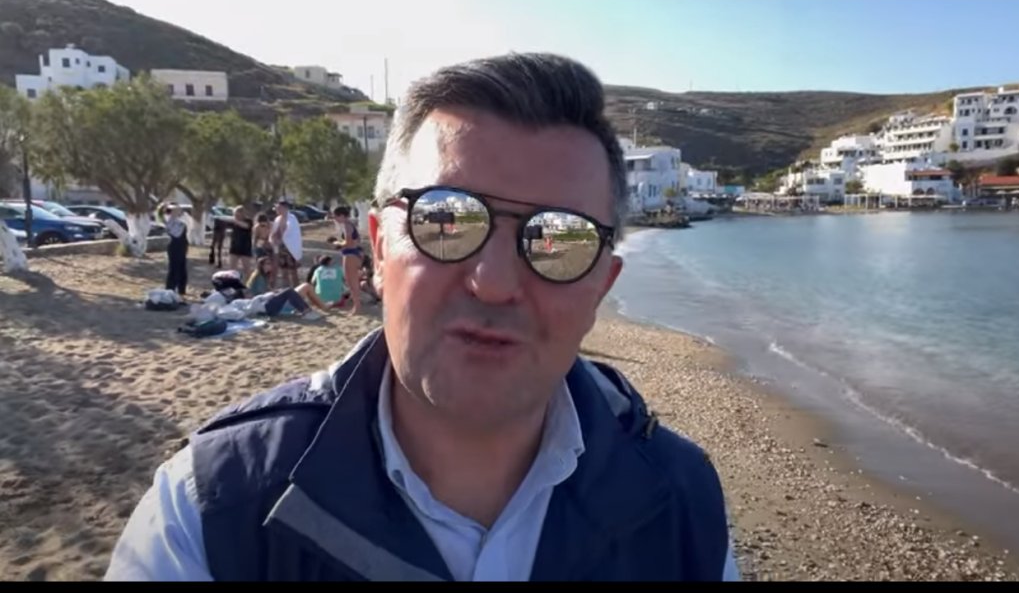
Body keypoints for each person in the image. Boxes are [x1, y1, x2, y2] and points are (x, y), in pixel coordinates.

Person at [105, 53, 738, 582]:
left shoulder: (683, 508)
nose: (493, 284)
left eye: (559, 239)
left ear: (601, 285)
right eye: (447, 219)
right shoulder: (213, 510)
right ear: (380, 249)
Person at [330, 205, 363, 314]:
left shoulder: (347, 226)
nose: (335, 219)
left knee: (351, 282)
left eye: (336, 216)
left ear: (342, 216)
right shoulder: (350, 225)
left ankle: (357, 306)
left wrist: (337, 243)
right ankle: (356, 305)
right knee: (352, 281)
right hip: (352, 253)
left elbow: (348, 243)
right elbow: (357, 240)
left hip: (350, 254)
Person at [270, 200, 302, 290]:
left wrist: (282, 235)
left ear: (285, 208)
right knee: (283, 271)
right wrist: (273, 240)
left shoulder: (292, 218)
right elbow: (274, 232)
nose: (277, 210)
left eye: (279, 208)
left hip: (290, 248)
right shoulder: (277, 219)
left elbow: (292, 233)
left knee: (293, 271)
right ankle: (286, 289)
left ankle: (297, 290)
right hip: (280, 248)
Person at [160, 203, 189, 297]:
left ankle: (181, 289)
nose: (178, 211)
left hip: (182, 245)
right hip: (174, 245)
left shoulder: (182, 219)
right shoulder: (169, 220)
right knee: (174, 267)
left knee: (182, 267)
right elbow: (175, 233)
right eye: (175, 210)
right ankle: (170, 288)